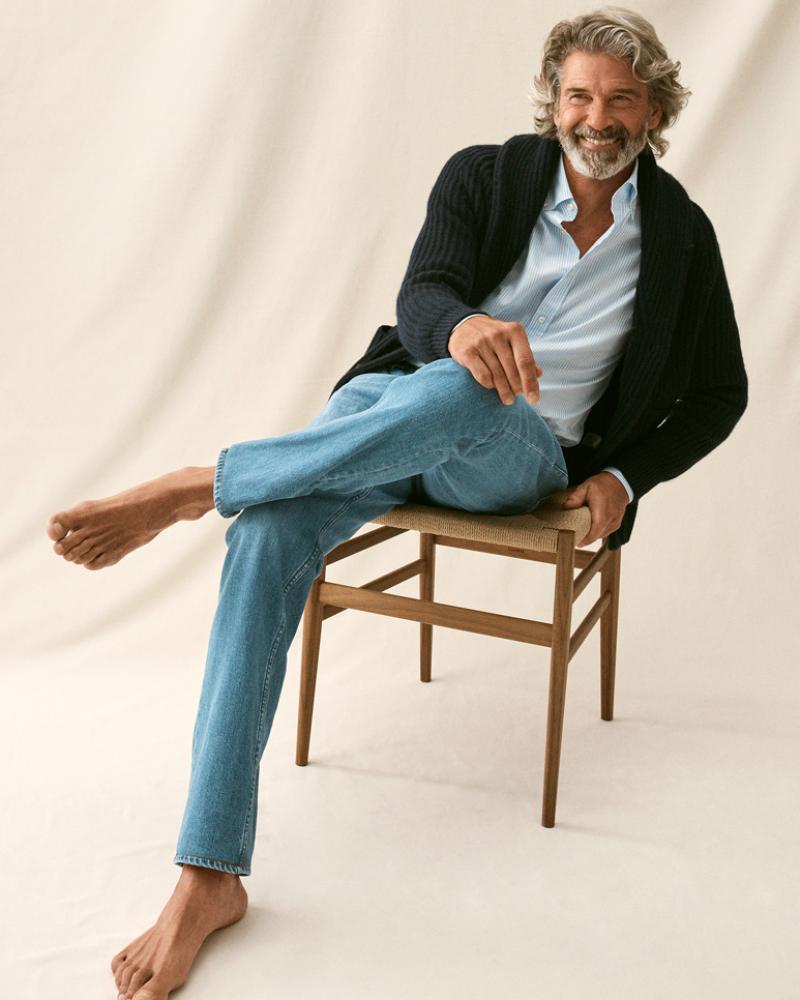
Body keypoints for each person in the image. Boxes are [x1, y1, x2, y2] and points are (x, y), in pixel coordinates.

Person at [45, 7, 747, 999]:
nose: (597, 118)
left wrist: (622, 480)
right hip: (390, 407)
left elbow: (721, 392)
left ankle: (206, 483)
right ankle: (208, 874)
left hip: (512, 455)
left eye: (621, 100)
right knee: (272, 533)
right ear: (552, 101)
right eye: (579, 95)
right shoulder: (482, 175)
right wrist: (459, 328)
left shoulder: (679, 236)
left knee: (474, 391)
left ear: (655, 112)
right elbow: (423, 295)